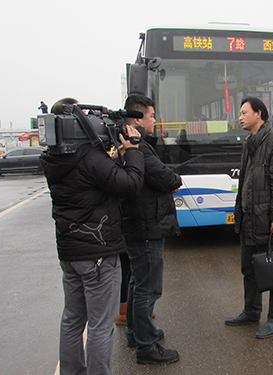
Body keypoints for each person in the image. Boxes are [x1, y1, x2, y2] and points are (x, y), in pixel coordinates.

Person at [41, 97, 145, 375]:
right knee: (101, 324)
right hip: (98, 254)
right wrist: (133, 150)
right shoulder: (90, 158)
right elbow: (131, 184)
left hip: (71, 252)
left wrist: (109, 158)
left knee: (73, 319)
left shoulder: (54, 158)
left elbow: (90, 179)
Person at [225, 96, 273, 339]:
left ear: (259, 113)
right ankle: (251, 311)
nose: (240, 117)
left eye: (244, 112)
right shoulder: (250, 143)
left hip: (267, 219)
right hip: (250, 217)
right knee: (249, 267)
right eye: (239, 113)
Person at [120, 93, 182, 364]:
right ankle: (146, 347)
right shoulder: (139, 148)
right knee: (148, 288)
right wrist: (175, 177)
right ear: (137, 118)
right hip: (147, 227)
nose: (155, 120)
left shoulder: (129, 144)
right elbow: (167, 178)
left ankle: (137, 333)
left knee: (137, 283)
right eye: (151, 116)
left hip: (138, 226)